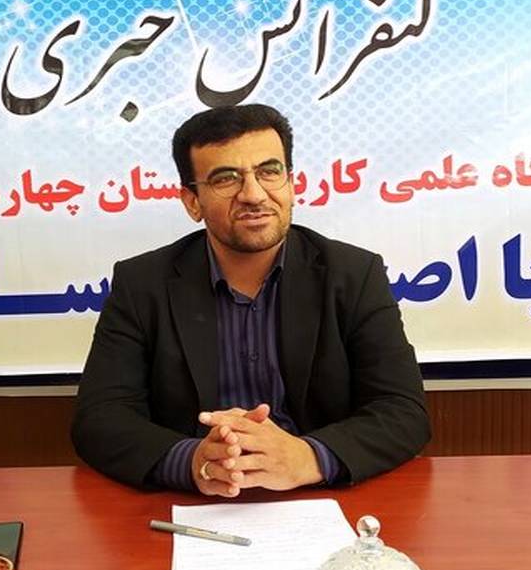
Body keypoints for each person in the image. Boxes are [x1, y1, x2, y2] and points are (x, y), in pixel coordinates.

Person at [72, 104, 429, 496]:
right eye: (226, 179)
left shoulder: (353, 275)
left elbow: (403, 411)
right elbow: (100, 419)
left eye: (269, 172)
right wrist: (191, 461)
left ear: (291, 184)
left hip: (316, 497)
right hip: (193, 502)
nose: (254, 195)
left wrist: (308, 457)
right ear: (192, 202)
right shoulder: (142, 284)